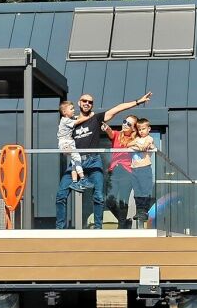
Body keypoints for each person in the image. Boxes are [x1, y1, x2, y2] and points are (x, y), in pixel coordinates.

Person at [54, 90, 152, 229]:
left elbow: (117, 109)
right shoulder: (72, 121)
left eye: (90, 102)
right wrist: (64, 149)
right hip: (76, 163)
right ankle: (60, 229)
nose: (87, 103)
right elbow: (63, 137)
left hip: (93, 161)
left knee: (99, 197)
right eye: (84, 101)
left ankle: (98, 229)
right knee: (61, 195)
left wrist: (138, 102)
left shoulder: (96, 118)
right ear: (79, 103)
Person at [102, 116, 137, 228]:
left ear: (134, 129)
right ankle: (124, 222)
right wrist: (106, 128)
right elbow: (110, 132)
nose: (125, 124)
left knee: (123, 201)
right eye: (124, 121)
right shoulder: (117, 134)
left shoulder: (135, 139)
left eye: (129, 124)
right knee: (109, 201)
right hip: (114, 170)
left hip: (127, 171)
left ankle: (121, 226)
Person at [128, 118, 157, 226]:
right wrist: (137, 146)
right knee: (137, 190)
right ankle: (139, 210)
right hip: (134, 169)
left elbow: (145, 146)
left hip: (144, 168)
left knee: (145, 190)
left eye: (143, 129)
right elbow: (128, 144)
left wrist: (138, 146)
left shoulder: (149, 138)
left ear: (148, 129)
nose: (141, 131)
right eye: (139, 129)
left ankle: (144, 211)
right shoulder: (136, 139)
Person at [56, 100, 84, 184]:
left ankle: (75, 181)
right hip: (65, 143)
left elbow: (76, 117)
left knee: (74, 162)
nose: (73, 110)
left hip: (70, 142)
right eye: (71, 109)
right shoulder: (65, 120)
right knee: (77, 158)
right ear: (64, 112)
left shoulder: (69, 118)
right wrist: (89, 116)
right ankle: (83, 178)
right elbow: (77, 121)